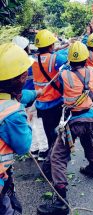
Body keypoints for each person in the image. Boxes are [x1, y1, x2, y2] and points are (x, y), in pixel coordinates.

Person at [37, 41, 93, 215]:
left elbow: (62, 68)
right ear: (86, 59)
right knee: (88, 141)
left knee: (57, 156)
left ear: (71, 60)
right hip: (91, 117)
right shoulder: (92, 71)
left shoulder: (64, 75)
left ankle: (61, 200)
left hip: (74, 120)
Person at [0, 43, 33, 214]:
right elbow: (23, 146)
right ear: (21, 78)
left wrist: (36, 94)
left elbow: (23, 96)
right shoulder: (13, 113)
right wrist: (27, 120)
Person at [32, 29, 67, 176]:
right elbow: (67, 59)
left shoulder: (33, 59)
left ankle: (52, 158)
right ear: (51, 46)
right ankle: (53, 162)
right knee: (56, 135)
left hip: (41, 102)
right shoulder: (56, 58)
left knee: (48, 132)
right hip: (54, 102)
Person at [13, 35, 48, 161]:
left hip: (20, 99)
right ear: (26, 48)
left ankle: (33, 149)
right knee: (38, 123)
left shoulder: (12, 64)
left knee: (28, 123)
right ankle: (43, 150)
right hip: (33, 96)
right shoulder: (32, 61)